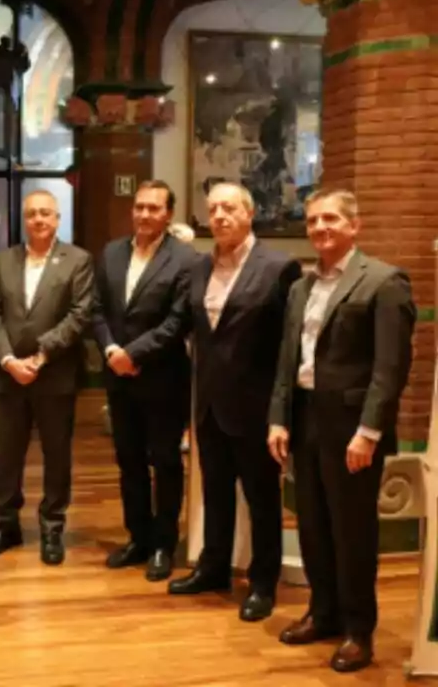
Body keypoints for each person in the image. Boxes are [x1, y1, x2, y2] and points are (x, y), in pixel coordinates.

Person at [267, 189, 415, 673]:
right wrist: (278, 417)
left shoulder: (383, 282)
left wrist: (369, 430)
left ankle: (358, 630)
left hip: (352, 428)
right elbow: (289, 361)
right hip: (306, 419)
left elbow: (389, 368)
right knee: (312, 524)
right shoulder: (301, 288)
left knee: (352, 531)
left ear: (354, 226)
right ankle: (323, 611)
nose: (320, 227)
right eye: (312, 220)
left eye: (330, 218)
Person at [169, 181, 301, 623]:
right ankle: (213, 568)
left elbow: (289, 346)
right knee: (216, 494)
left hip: (256, 407)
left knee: (262, 500)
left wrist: (280, 413)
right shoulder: (200, 269)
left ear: (249, 213)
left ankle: (263, 583)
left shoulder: (279, 268)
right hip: (207, 404)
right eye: (213, 209)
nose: (220, 216)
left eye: (229, 207)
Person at [0, 189, 94, 565]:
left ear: (57, 218)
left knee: (56, 454)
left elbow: (79, 315)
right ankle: (6, 523)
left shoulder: (78, 260)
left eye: (46, 213)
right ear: (24, 219)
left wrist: (41, 355)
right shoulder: (3, 260)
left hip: (55, 374)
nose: (39, 219)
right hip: (10, 376)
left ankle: (52, 526)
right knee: (6, 455)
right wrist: (9, 360)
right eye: (32, 214)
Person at [91, 180, 196, 581]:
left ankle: (163, 545)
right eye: (140, 207)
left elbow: (177, 321)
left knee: (166, 463)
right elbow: (97, 309)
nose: (145, 214)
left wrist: (133, 354)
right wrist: (111, 352)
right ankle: (137, 536)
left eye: (154, 208)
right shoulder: (112, 252)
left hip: (163, 378)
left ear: (168, 214)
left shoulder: (185, 260)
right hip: (119, 379)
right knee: (128, 461)